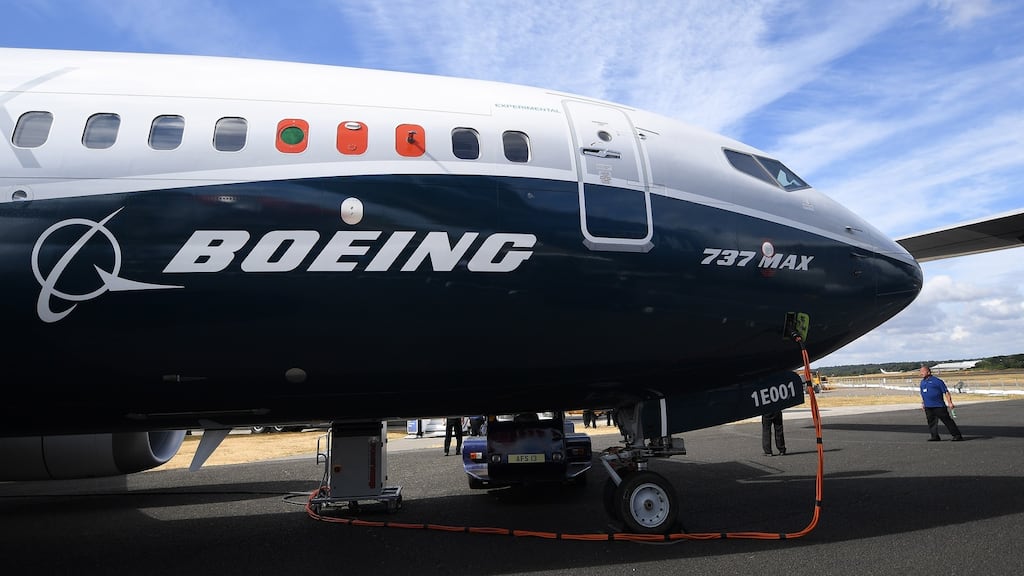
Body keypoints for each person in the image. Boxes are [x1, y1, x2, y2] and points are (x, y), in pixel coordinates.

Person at [919, 366, 963, 441]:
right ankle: (935, 436)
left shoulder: (937, 381)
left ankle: (957, 435)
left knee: (947, 421)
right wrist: (923, 403)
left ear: (928, 372)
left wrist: (950, 402)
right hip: (928, 406)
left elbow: (946, 392)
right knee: (931, 422)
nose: (921, 373)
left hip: (939, 406)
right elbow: (923, 393)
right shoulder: (922, 382)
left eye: (923, 371)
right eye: (920, 372)